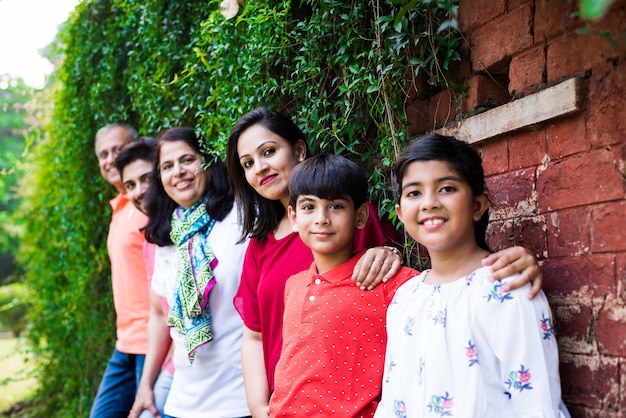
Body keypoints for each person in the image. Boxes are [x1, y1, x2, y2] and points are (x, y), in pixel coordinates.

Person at [226, 107, 543, 417]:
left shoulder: (388, 263)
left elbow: (430, 275)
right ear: (296, 217)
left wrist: (513, 262)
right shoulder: (261, 244)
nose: (260, 168)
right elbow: (253, 333)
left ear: (298, 149)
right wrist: (259, 407)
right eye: (248, 163)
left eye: (268, 152)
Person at [374, 134, 570, 417]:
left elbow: (537, 405)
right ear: (400, 213)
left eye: (447, 188)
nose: (429, 202)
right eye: (414, 193)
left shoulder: (507, 288)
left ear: (478, 205)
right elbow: (393, 401)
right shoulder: (405, 297)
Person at [269, 154, 419, 416]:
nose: (321, 218)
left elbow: (447, 288)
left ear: (360, 215)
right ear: (293, 217)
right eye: (308, 207)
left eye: (336, 206)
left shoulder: (388, 282)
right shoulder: (293, 285)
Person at [142, 127, 250, 417]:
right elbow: (158, 315)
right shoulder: (164, 239)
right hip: (182, 401)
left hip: (238, 399)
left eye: (187, 160)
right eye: (167, 166)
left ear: (207, 163)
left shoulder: (242, 218)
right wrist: (146, 384)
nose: (178, 171)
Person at [90, 124, 152, 418]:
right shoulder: (120, 207)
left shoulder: (147, 204)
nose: (110, 159)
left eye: (118, 149)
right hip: (125, 342)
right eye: (103, 154)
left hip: (151, 342)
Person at [115, 139, 174, 418]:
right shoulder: (153, 239)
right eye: (131, 185)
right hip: (169, 361)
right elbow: (159, 314)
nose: (139, 191)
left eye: (146, 179)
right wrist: (146, 385)